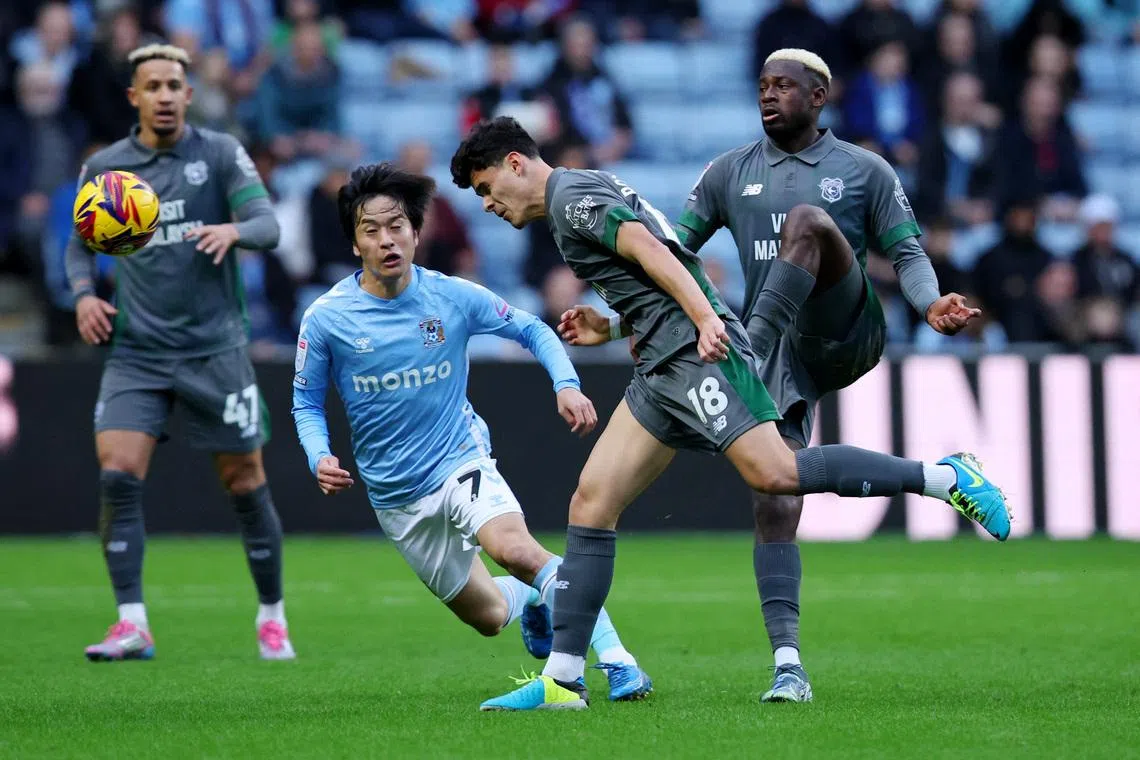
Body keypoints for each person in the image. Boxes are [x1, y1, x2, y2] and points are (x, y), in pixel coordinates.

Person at [449, 116, 1011, 710]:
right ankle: (564, 682)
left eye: (486, 188)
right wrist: (612, 323)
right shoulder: (579, 192)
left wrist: (706, 319)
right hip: (661, 364)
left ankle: (947, 477)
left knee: (776, 474)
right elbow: (658, 254)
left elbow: (652, 253)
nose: (486, 204)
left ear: (515, 164)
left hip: (694, 355)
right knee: (591, 502)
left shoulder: (570, 200)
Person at [674, 49, 986, 702]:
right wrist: (610, 321)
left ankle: (750, 349)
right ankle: (789, 664)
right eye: (761, 85)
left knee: (807, 223)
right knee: (774, 489)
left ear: (819, 97)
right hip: (785, 360)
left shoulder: (863, 169)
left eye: (783, 86)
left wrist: (929, 302)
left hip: (846, 328)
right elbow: (671, 255)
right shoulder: (728, 172)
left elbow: (904, 248)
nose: (768, 95)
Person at [291, 163, 652, 704]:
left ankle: (619, 662)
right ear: (354, 242)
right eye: (372, 229)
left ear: (416, 232)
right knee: (489, 616)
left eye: (398, 226)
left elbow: (530, 327)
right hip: (395, 496)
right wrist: (318, 454)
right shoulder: (327, 318)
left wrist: (566, 384)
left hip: (460, 459)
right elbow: (305, 401)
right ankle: (533, 602)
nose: (388, 239)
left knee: (517, 551)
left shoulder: (451, 297)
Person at [65, 44, 292, 662]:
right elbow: (78, 248)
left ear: (188, 95)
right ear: (133, 96)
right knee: (117, 475)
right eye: (153, 86)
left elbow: (269, 227)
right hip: (137, 351)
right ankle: (132, 623)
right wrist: (85, 295)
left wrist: (233, 230)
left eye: (174, 85)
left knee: (245, 483)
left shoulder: (218, 154)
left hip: (214, 350)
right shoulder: (107, 170)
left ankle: (271, 615)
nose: (165, 95)